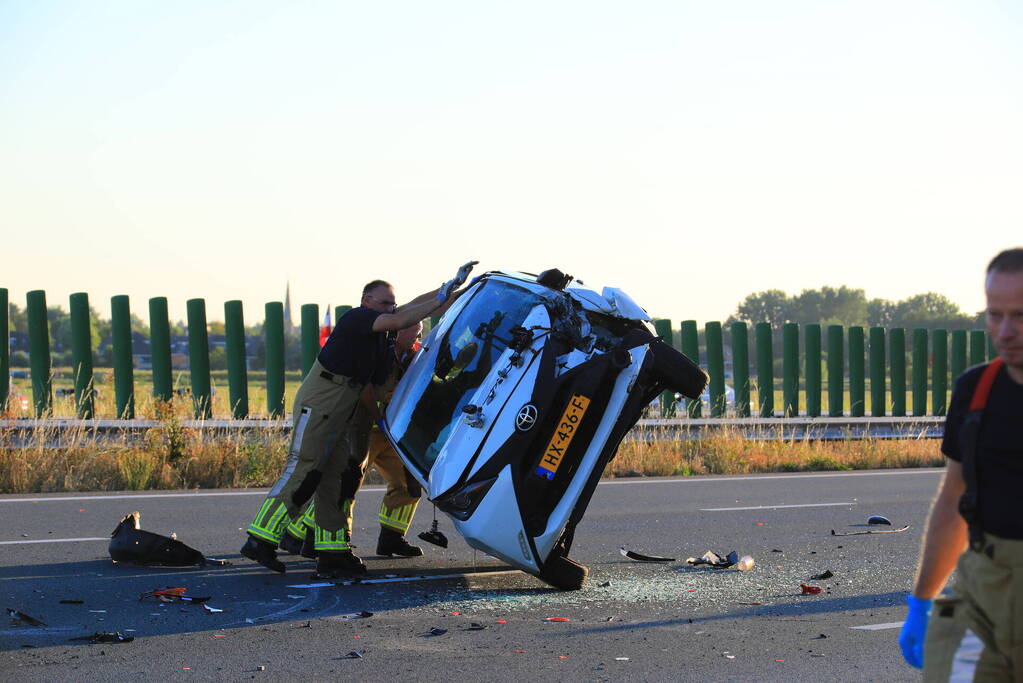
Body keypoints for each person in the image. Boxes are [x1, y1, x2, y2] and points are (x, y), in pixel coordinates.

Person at [241, 263, 477, 575]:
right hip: (324, 399)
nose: (391, 308)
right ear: (366, 301)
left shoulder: (383, 324)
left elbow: (411, 310)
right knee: (305, 468)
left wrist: (456, 290)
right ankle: (260, 539)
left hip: (345, 407)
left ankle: (333, 553)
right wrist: (443, 295)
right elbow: (403, 317)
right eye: (385, 303)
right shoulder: (359, 318)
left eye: (392, 303)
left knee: (338, 479)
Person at [899, 247, 1023, 680]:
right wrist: (921, 601)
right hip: (983, 589)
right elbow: (953, 500)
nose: (1005, 331)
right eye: (995, 315)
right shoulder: (976, 389)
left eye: (1020, 316)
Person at [279, 322, 426, 570]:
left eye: (421, 331)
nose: (418, 335)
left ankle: (392, 538)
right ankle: (299, 535)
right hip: (363, 429)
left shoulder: (415, 357)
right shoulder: (378, 354)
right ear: (398, 330)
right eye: (415, 330)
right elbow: (365, 390)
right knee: (343, 487)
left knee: (409, 485)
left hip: (392, 432)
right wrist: (378, 417)